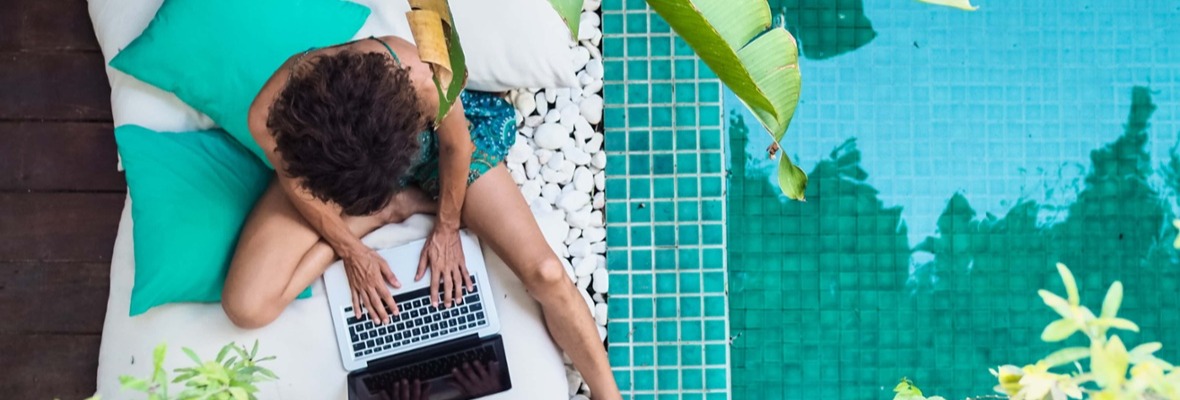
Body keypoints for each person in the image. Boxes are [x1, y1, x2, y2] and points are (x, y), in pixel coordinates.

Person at [219, 35, 620, 399]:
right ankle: (388, 211)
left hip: (431, 155)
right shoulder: (270, 117)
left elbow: (456, 147)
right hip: (336, 175)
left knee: (547, 272)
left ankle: (608, 394)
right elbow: (296, 184)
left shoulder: (421, 75)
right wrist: (350, 246)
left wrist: (446, 227)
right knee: (246, 307)